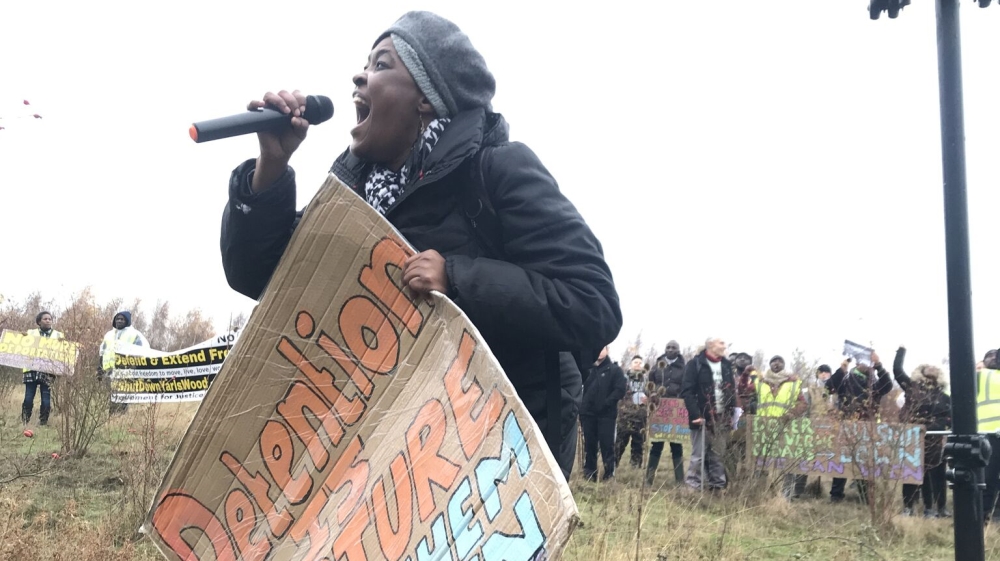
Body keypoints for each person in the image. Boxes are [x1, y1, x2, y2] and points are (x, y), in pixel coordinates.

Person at [218, 11, 622, 479]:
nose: (359, 77)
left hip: (498, 452)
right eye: (365, 65)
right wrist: (270, 167)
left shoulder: (496, 171)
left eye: (381, 64)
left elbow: (593, 304)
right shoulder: (355, 192)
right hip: (399, 449)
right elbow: (259, 277)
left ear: (427, 98)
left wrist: (457, 278)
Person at [825, 351, 892, 503]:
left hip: (868, 428)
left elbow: (888, 385)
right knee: (842, 460)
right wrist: (841, 370)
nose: (865, 365)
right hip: (846, 426)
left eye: (868, 363)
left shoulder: (874, 384)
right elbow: (829, 387)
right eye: (862, 362)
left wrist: (879, 365)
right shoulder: (846, 380)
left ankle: (864, 496)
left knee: (865, 462)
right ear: (856, 364)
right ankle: (836, 495)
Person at [893, 346, 952, 518]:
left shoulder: (944, 397)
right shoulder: (912, 387)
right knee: (911, 472)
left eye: (935, 367)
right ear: (921, 371)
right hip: (914, 437)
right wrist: (901, 351)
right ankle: (908, 507)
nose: (931, 367)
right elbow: (897, 371)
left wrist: (941, 427)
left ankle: (935, 508)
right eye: (927, 366)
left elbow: (949, 418)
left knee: (935, 474)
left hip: (935, 439)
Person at [681, 337, 738, 490]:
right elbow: (687, 392)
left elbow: (732, 391)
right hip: (702, 418)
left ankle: (717, 486)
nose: (724, 346)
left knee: (718, 454)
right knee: (698, 455)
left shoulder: (727, 365)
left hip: (722, 418)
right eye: (721, 343)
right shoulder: (695, 364)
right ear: (711, 345)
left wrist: (732, 414)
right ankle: (693, 486)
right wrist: (695, 415)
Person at [756, 355, 808, 499]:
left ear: (784, 365)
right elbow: (745, 394)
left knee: (787, 461)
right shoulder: (760, 382)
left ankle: (786, 496)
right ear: (770, 364)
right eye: (773, 361)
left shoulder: (793, 383)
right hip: (763, 428)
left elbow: (803, 403)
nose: (776, 364)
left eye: (780, 361)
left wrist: (792, 413)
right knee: (761, 462)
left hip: (786, 427)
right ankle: (759, 493)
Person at [581, 347, 627, 481]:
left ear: (607, 350)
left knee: (607, 445)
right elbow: (582, 389)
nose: (599, 351)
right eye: (597, 348)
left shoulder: (615, 370)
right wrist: (582, 409)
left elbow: (620, 390)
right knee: (589, 445)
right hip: (588, 415)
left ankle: (609, 475)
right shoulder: (588, 370)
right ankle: (590, 474)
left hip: (606, 415)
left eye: (602, 348)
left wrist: (606, 403)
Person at [646, 340, 686, 485]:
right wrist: (651, 393)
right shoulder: (657, 366)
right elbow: (649, 383)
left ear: (678, 350)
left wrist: (681, 399)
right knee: (656, 444)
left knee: (676, 445)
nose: (670, 350)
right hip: (659, 409)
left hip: (676, 410)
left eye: (673, 348)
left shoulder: (684, 368)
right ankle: (648, 480)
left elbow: (687, 386)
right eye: (668, 347)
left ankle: (680, 481)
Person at [100, 311, 148, 414]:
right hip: (109, 371)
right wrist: (99, 368)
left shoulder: (134, 334)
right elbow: (102, 351)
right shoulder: (109, 335)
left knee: (122, 397)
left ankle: (121, 416)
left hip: (125, 371)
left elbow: (140, 352)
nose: (119, 321)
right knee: (111, 397)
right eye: (117, 319)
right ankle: (112, 417)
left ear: (127, 321)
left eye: (122, 319)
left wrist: (135, 369)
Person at [21, 311, 63, 426]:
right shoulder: (31, 333)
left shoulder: (59, 336)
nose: (48, 321)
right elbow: (22, 344)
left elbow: (63, 352)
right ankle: (25, 421)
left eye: (50, 319)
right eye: (45, 319)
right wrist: (21, 337)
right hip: (31, 370)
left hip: (48, 371)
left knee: (46, 400)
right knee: (28, 397)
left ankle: (43, 422)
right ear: (39, 322)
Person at [976, 349, 1000, 522]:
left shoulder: (980, 376)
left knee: (987, 479)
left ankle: (982, 517)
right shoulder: (983, 376)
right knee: (988, 479)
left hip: (986, 434)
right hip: (989, 435)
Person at [616, 355, 648, 469]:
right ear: (631, 365)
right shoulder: (624, 378)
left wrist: (648, 398)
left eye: (640, 362)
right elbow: (618, 392)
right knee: (620, 441)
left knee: (638, 442)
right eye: (635, 362)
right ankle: (613, 464)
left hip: (641, 415)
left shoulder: (646, 380)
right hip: (625, 415)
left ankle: (635, 467)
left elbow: (651, 393)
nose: (638, 364)